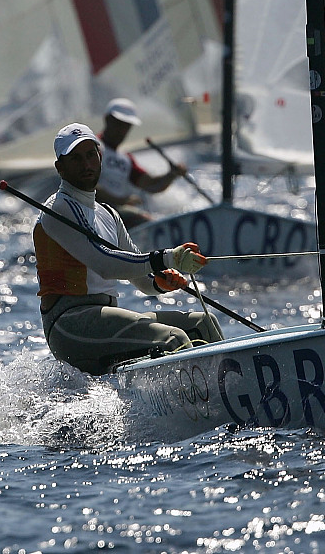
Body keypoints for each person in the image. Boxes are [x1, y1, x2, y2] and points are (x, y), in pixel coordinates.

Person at [33, 122, 223, 376]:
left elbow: (140, 278)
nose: (86, 164)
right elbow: (107, 264)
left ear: (100, 157)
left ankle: (231, 385)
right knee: (172, 339)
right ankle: (200, 403)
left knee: (204, 323)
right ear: (60, 167)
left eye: (91, 155)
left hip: (103, 317)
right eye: (76, 158)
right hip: (69, 324)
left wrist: (159, 282)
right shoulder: (59, 209)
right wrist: (168, 258)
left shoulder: (108, 213)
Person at [94, 98, 189, 227]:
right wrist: (122, 201)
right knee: (143, 221)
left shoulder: (125, 159)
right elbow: (86, 187)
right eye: (118, 124)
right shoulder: (92, 147)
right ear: (107, 119)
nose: (121, 130)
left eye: (126, 126)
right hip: (97, 213)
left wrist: (171, 175)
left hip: (117, 215)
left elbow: (151, 185)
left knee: (155, 220)